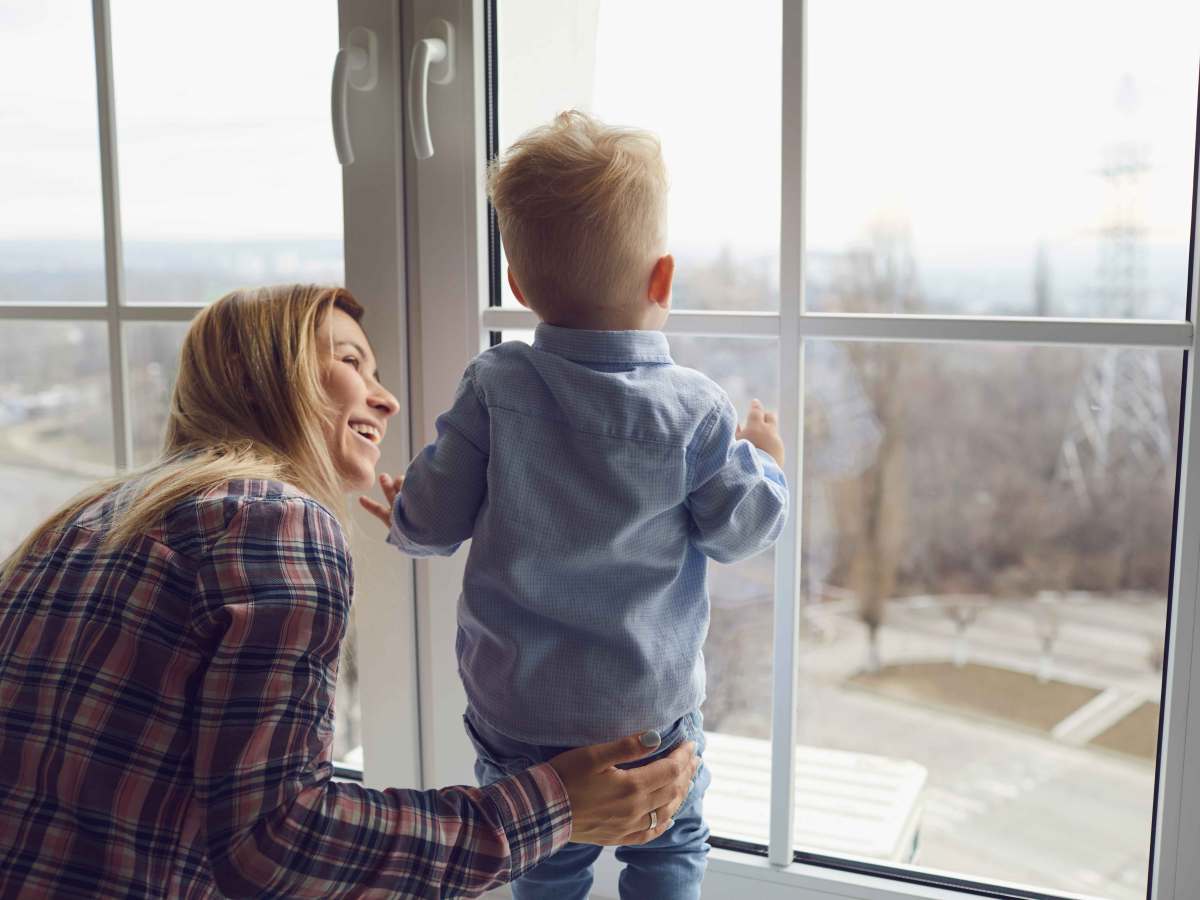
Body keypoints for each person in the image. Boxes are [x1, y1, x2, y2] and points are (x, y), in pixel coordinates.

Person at [0, 284, 699, 899]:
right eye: (349, 360)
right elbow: (272, 847)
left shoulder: (87, 520)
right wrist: (555, 809)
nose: (387, 398)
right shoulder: (269, 519)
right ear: (258, 377)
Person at [361, 110, 788, 900]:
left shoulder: (497, 385)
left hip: (520, 712)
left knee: (544, 861)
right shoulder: (693, 410)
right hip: (647, 713)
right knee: (668, 851)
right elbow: (740, 531)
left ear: (519, 288)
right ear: (662, 279)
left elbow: (434, 515)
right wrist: (764, 458)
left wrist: (404, 516)